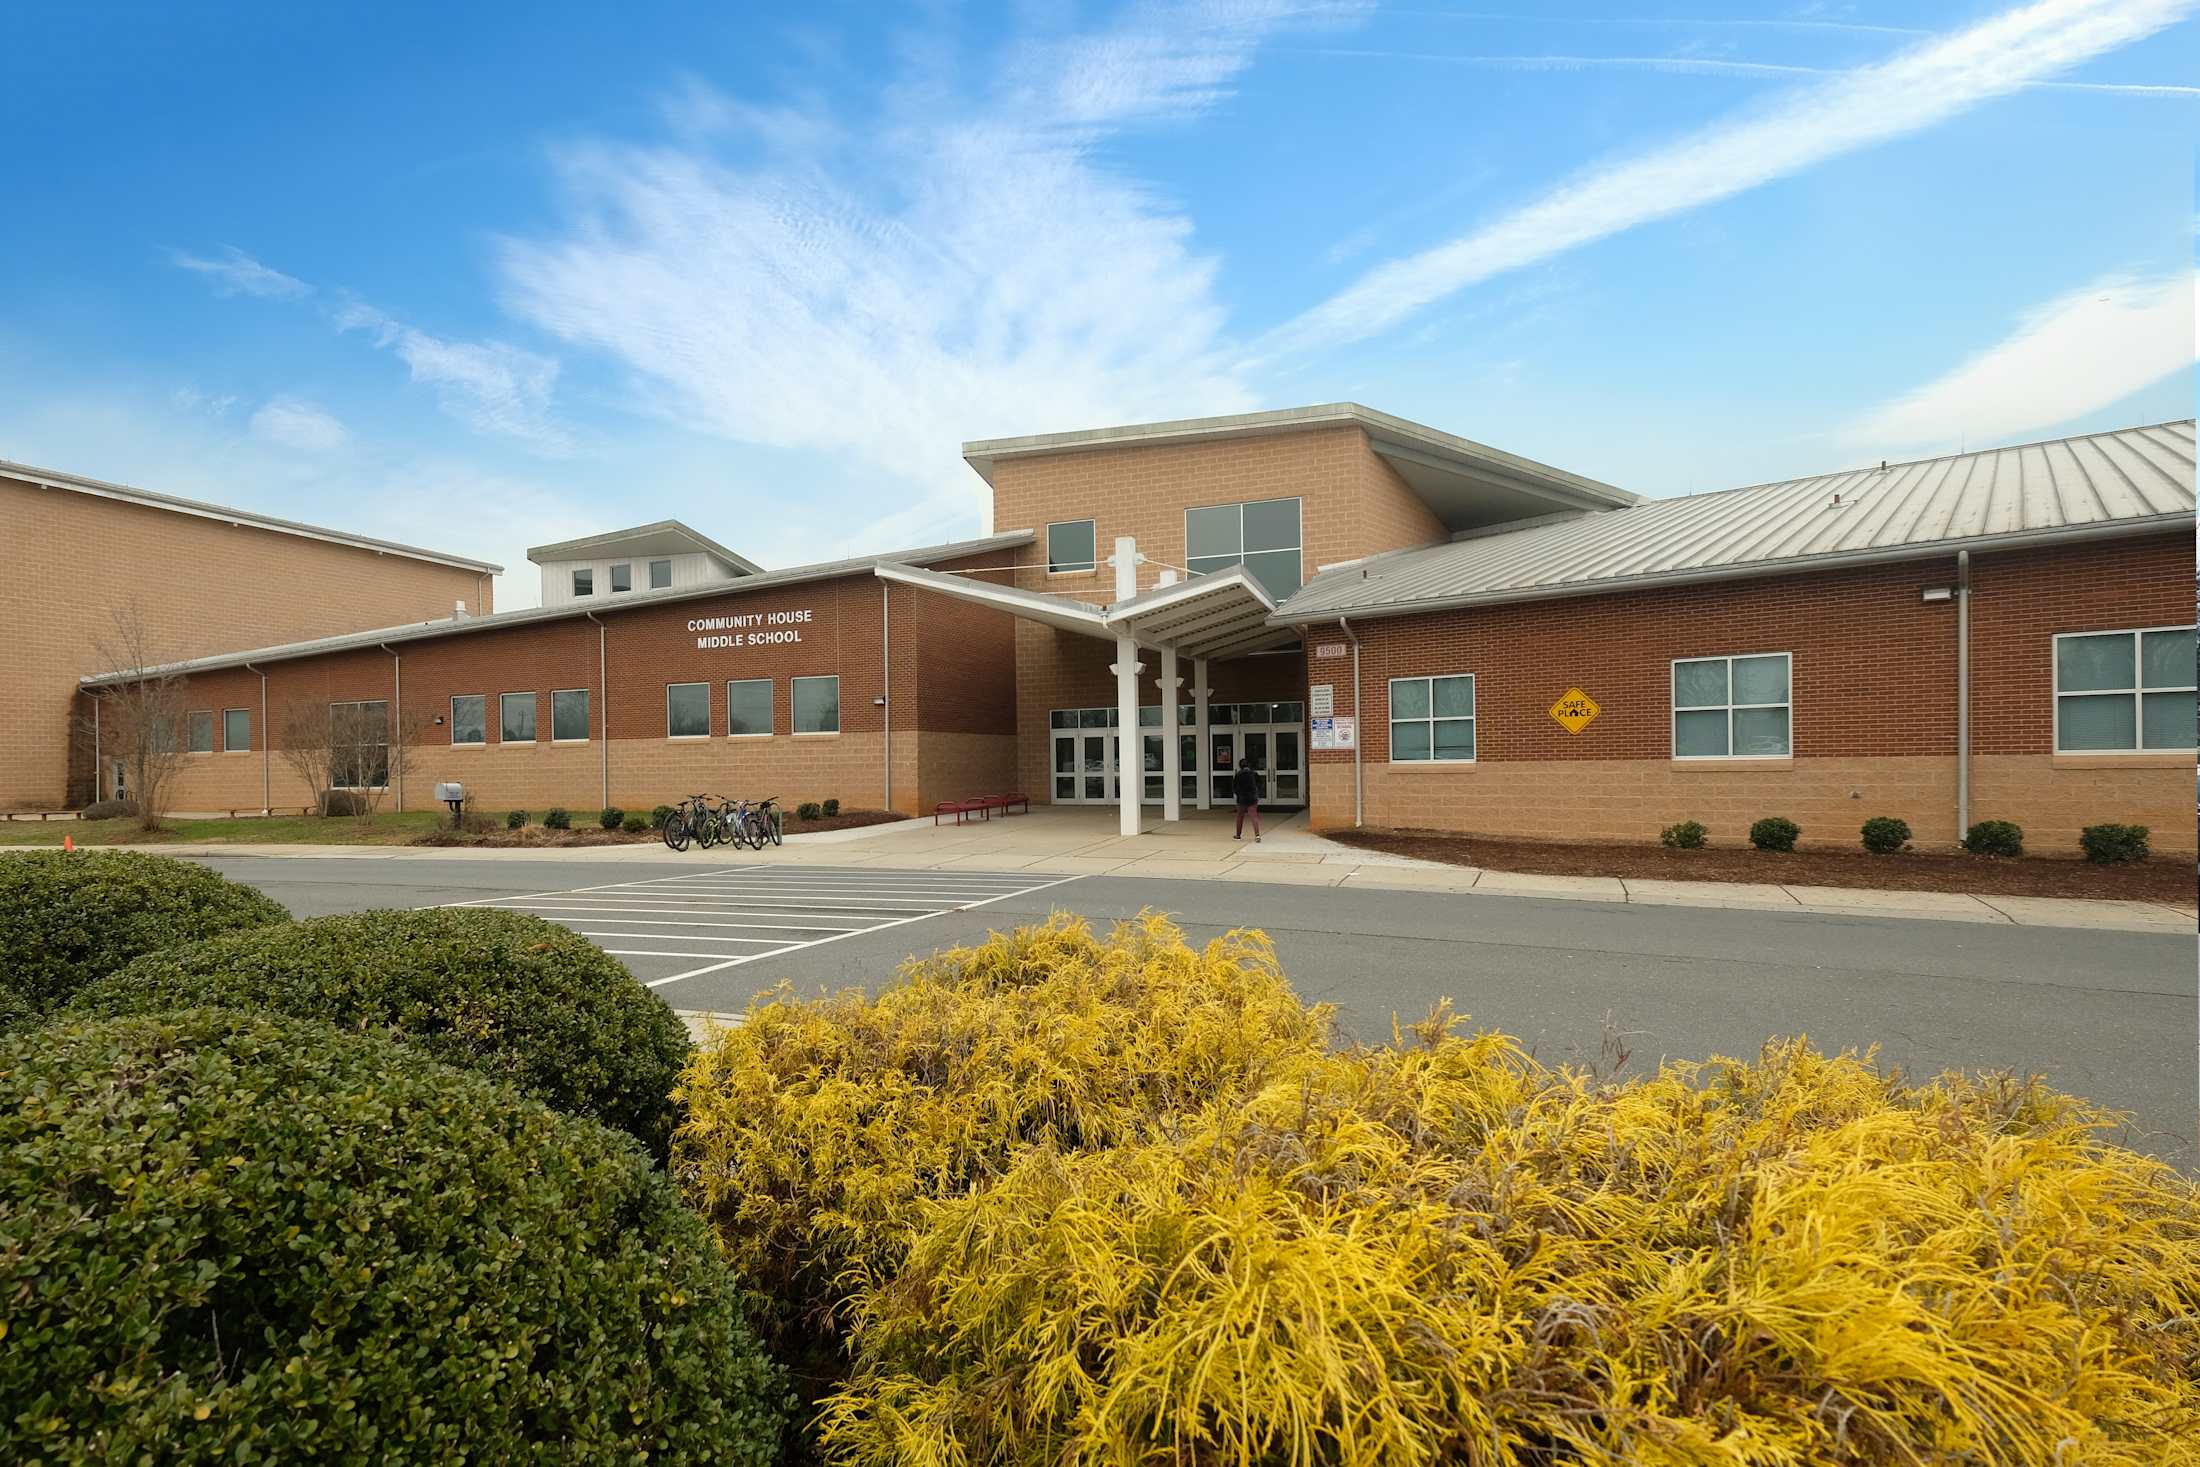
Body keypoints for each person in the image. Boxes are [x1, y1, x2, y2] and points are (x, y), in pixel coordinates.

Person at [1231, 755, 1262, 842]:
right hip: (1252, 797)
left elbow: (1234, 787)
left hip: (1242, 798)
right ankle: (1257, 835)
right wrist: (1257, 793)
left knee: (1240, 816)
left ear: (1240, 766)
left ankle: (1238, 835)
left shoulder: (1238, 775)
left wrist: (1238, 794)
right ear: (1249, 765)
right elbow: (1259, 784)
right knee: (1254, 816)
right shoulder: (1254, 774)